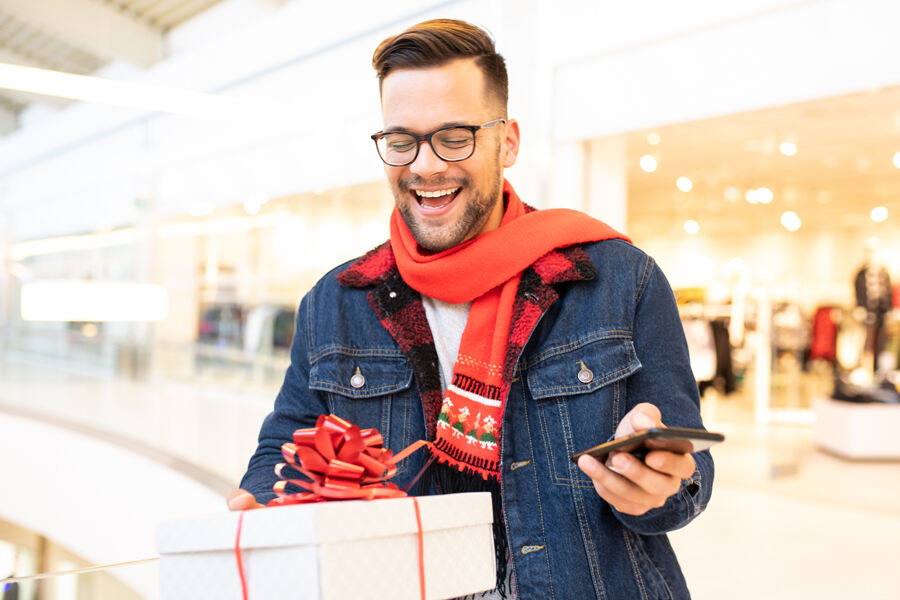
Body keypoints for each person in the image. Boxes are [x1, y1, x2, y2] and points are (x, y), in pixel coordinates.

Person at [230, 18, 714, 599]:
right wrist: (261, 500)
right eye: (402, 140)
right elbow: (288, 438)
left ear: (507, 141)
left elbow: (690, 471)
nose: (425, 166)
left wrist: (659, 485)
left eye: (454, 136)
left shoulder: (620, 280)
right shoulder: (335, 303)